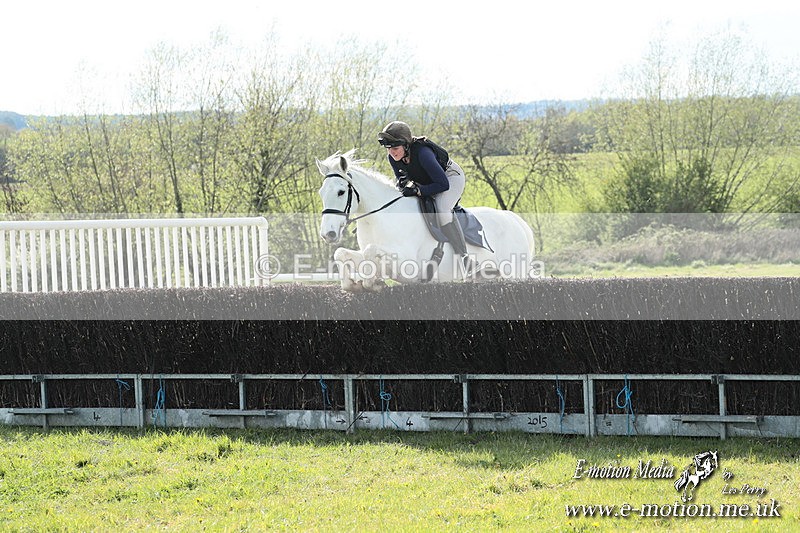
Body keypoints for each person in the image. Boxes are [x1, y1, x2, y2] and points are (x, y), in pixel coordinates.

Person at [377, 121, 472, 272]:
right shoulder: (393, 158)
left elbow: (443, 184)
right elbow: (401, 179)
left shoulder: (423, 153)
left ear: (406, 145)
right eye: (388, 149)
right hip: (427, 180)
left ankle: (465, 259)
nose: (392, 153)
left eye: (395, 148)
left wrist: (418, 191)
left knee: (442, 209)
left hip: (450, 178)